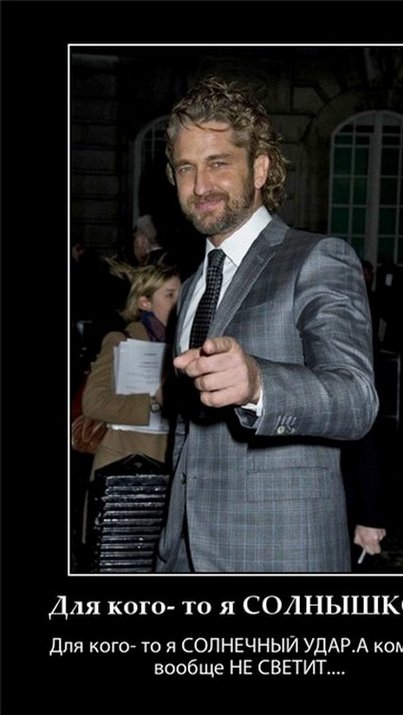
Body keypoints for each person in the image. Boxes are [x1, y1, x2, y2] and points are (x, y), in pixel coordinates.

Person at [155, 75, 379, 573]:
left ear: (259, 168)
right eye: (186, 168)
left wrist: (259, 384)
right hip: (187, 553)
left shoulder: (317, 258)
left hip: (280, 555)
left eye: (218, 163)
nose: (200, 185)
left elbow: (357, 399)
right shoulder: (191, 287)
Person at [81, 261, 181, 479]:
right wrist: (154, 402)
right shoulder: (120, 341)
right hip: (122, 461)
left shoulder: (184, 347)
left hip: (170, 466)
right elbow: (93, 403)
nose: (179, 302)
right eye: (170, 295)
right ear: (145, 303)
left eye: (182, 295)